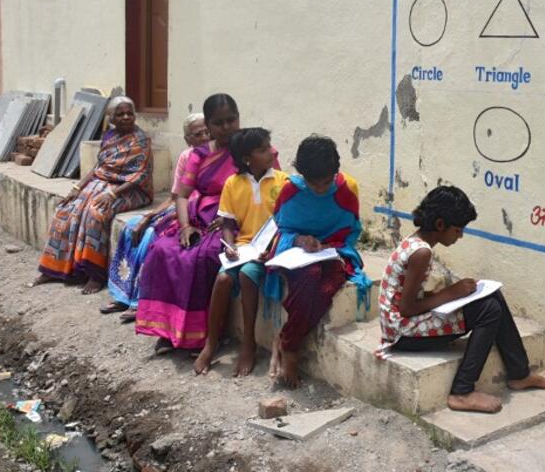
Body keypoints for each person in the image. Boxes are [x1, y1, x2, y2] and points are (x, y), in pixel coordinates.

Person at [377, 186, 545, 413]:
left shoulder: (416, 243)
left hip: (403, 323)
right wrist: (450, 293)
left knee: (492, 295)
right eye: (458, 230)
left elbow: (409, 294)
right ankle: (462, 392)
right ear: (440, 225)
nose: (460, 235)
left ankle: (519, 374)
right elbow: (405, 308)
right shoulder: (421, 252)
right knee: (489, 310)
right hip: (401, 334)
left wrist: (445, 295)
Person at [135, 95, 279, 354]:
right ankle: (169, 330)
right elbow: (181, 194)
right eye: (218, 123)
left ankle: (206, 334)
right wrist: (186, 226)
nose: (226, 127)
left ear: (239, 118)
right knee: (162, 251)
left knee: (205, 256)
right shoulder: (199, 154)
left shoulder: (254, 148)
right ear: (209, 126)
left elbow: (274, 189)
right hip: (198, 217)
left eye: (231, 120)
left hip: (235, 221)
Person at [266, 135, 370, 388]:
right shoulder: (291, 190)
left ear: (336, 172)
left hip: (334, 250)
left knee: (331, 280)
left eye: (326, 182)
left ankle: (287, 340)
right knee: (310, 276)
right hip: (297, 252)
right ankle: (290, 350)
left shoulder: (347, 189)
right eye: (314, 184)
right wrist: (301, 240)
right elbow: (281, 228)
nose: (321, 189)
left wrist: (329, 245)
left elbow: (351, 231)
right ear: (302, 176)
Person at [34, 96, 154, 295]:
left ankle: (94, 274)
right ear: (112, 118)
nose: (126, 117)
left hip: (132, 189)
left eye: (129, 113)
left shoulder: (141, 140)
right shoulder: (109, 137)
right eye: (120, 114)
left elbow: (141, 175)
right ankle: (54, 269)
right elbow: (99, 168)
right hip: (104, 183)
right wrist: (77, 189)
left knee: (96, 213)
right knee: (65, 210)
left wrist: (112, 194)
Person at [193, 127, 288, 376]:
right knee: (223, 278)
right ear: (247, 158)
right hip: (245, 247)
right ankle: (210, 344)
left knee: (247, 275)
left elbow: (286, 221)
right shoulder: (232, 184)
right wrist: (230, 245)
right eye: (263, 149)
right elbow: (227, 223)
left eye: (269, 146)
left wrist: (273, 248)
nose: (271, 152)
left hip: (270, 249)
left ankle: (249, 343)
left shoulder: (281, 180)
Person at [103, 112, 209, 319]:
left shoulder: (217, 156)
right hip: (179, 204)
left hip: (196, 209)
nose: (204, 137)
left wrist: (159, 220)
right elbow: (174, 196)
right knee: (131, 227)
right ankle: (123, 295)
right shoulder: (186, 157)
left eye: (207, 132)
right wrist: (148, 215)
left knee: (151, 235)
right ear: (188, 139)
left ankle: (140, 300)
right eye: (198, 134)